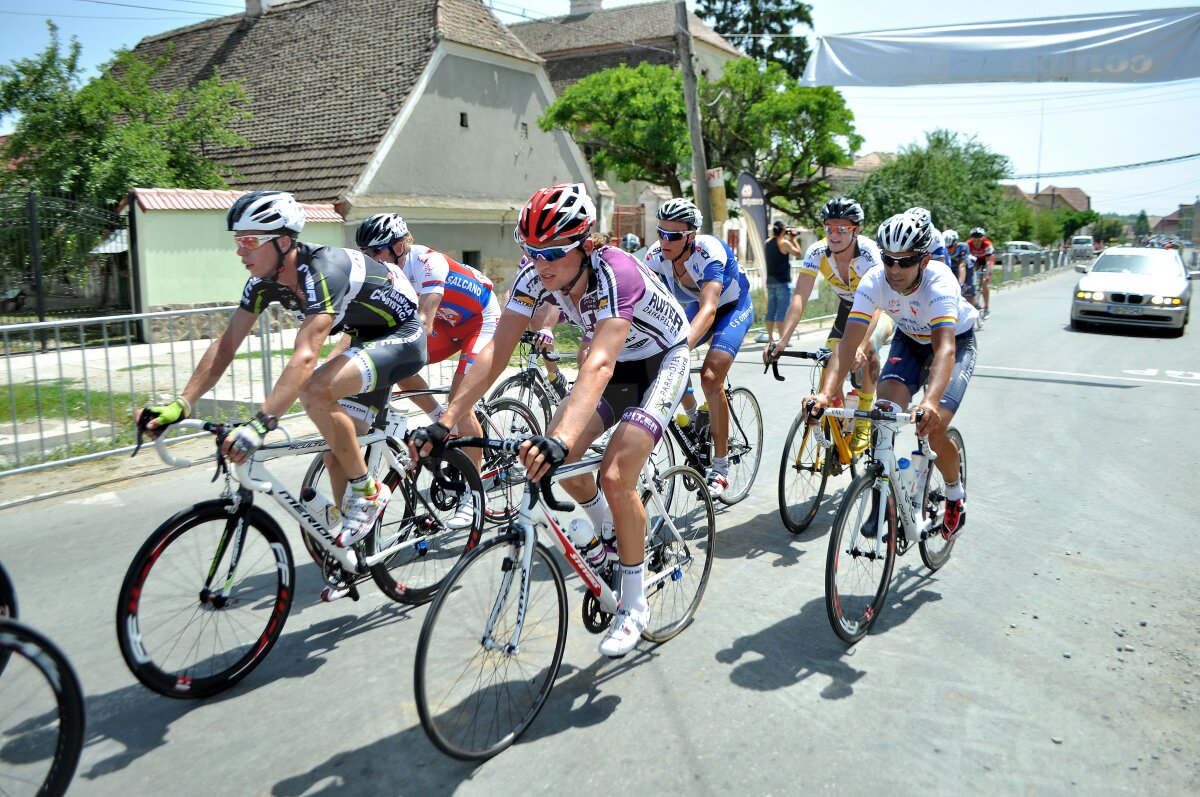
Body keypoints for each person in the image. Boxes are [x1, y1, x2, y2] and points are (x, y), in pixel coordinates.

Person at [410, 183, 690, 657]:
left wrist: (560, 435)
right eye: (531, 252)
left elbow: (600, 362)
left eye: (553, 253)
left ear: (586, 245)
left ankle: (634, 604)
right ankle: (607, 537)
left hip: (661, 361)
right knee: (556, 463)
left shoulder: (617, 272)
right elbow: (496, 352)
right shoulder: (533, 276)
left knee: (615, 475)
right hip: (619, 366)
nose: (541, 264)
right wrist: (447, 419)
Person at [138, 191, 427, 599]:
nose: (240, 250)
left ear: (284, 241)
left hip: (403, 334)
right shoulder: (262, 283)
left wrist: (261, 423)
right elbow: (227, 344)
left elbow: (306, 354)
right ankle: (353, 552)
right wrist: (180, 404)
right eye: (238, 240)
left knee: (316, 389)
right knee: (338, 449)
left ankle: (368, 492)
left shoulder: (322, 269)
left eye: (249, 241)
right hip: (363, 335)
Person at [803, 212, 978, 540]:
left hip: (954, 343)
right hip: (910, 341)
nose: (894, 269)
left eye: (905, 261)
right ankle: (880, 500)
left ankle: (954, 494)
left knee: (934, 425)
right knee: (882, 415)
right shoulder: (874, 280)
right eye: (888, 259)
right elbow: (848, 343)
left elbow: (944, 350)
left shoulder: (939, 281)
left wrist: (929, 401)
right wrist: (825, 395)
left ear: (923, 260)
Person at [355, 212, 500, 529]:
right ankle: (440, 419)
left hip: (480, 320)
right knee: (397, 366)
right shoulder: (385, 272)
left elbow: (424, 321)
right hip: (450, 325)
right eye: (364, 252)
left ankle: (474, 495)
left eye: (375, 251)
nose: (369, 258)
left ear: (397, 247)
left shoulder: (427, 262)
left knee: (460, 401)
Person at [644, 197, 754, 497]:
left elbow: (709, 308)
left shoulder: (709, 251)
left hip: (731, 307)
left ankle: (720, 467)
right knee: (658, 356)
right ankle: (693, 416)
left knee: (710, 376)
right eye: (661, 233)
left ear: (691, 235)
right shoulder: (655, 257)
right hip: (698, 308)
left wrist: (680, 348)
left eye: (674, 236)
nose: (665, 241)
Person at [765, 197, 893, 455]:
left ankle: (864, 420)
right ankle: (839, 428)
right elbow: (799, 297)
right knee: (829, 364)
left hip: (881, 309)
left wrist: (859, 346)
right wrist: (782, 340)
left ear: (856, 230)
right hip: (848, 311)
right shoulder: (817, 252)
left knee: (867, 349)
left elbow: (877, 306)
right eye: (829, 228)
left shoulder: (870, 253)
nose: (834, 235)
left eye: (842, 229)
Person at [759, 220, 803, 346]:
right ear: (783, 230)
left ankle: (770, 339)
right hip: (783, 282)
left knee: (771, 310)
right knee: (782, 311)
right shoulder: (784, 243)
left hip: (770, 281)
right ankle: (782, 339)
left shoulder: (767, 242)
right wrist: (793, 239)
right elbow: (798, 253)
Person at [967, 227, 995, 318]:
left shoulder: (987, 244)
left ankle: (986, 307)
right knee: (970, 278)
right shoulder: (968, 244)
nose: (976, 243)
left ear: (982, 238)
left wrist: (987, 275)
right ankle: (974, 303)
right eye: (974, 240)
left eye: (978, 240)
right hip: (975, 260)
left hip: (986, 260)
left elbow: (988, 262)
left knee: (984, 283)